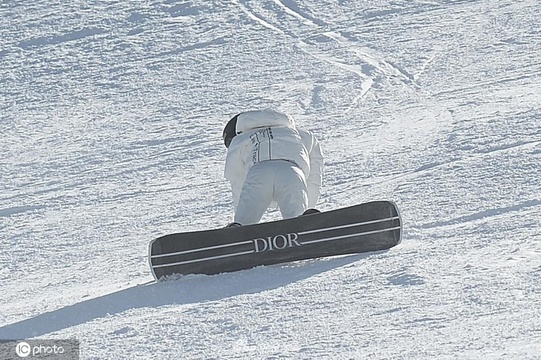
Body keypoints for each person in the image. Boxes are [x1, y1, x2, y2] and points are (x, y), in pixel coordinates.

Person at [223, 108, 323, 226]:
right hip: (292, 172)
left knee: (245, 222)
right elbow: (314, 175)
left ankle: (238, 232)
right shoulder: (302, 134)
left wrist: (238, 220)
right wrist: (309, 208)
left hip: (259, 172)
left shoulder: (240, 139)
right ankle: (305, 225)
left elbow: (236, 178)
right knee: (298, 220)